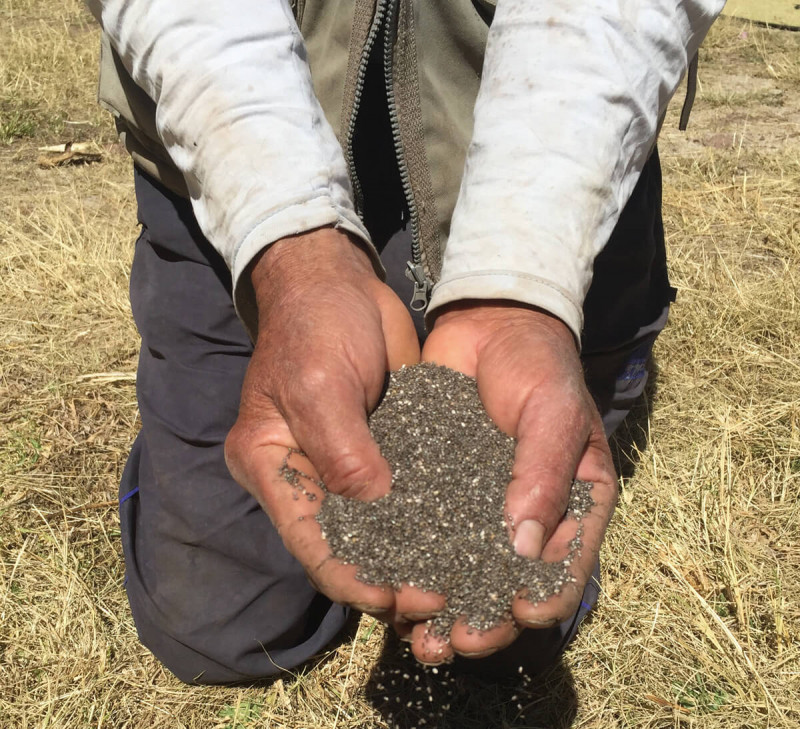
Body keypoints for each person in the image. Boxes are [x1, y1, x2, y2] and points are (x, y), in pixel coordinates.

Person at [87, 0, 723, 684]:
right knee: (220, 632)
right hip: (227, 127)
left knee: (519, 634)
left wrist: (523, 285)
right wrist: (288, 241)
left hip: (555, 127)